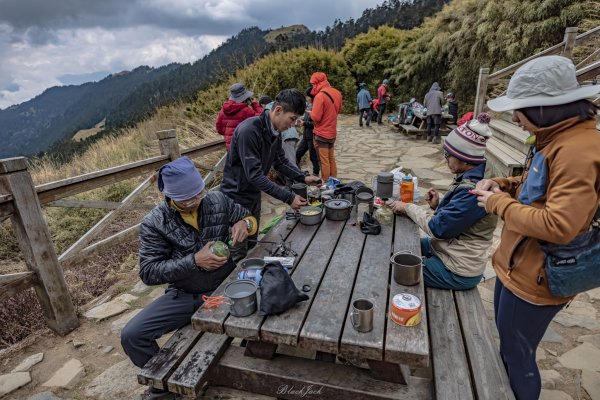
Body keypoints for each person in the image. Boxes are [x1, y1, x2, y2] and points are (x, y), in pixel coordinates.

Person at [473, 56, 600, 400]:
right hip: (518, 266)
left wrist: (497, 203)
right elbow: (537, 188)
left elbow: (559, 224)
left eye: (520, 109)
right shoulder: (555, 138)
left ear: (545, 108)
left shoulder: (576, 150)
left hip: (536, 276)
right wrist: (503, 184)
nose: (514, 118)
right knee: (511, 348)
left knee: (519, 355)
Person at [121, 157, 255, 400]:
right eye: (187, 200)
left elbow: (248, 217)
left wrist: (244, 223)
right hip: (186, 294)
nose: (195, 202)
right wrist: (194, 261)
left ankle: (251, 357)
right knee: (132, 335)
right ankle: (167, 386)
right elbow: (149, 272)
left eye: (198, 194)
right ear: (170, 196)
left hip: (227, 286)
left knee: (266, 302)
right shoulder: (154, 223)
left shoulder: (216, 200)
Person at [391, 113, 498, 290]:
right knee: (402, 246)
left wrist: (407, 207)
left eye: (448, 154)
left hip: (457, 269)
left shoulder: (474, 189)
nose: (445, 159)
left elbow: (438, 228)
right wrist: (438, 206)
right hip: (449, 249)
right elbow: (459, 219)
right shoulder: (479, 171)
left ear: (464, 157)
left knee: (396, 269)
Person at [221, 89, 320, 260]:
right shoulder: (249, 131)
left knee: (252, 244)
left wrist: (302, 177)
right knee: (236, 251)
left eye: (296, 119)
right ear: (278, 110)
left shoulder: (274, 131)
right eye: (292, 118)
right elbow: (254, 175)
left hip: (252, 195)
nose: (293, 123)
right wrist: (288, 197)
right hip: (235, 198)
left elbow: (280, 162)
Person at [309, 72, 342, 180]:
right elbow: (339, 110)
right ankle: (334, 181)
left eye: (313, 84)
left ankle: (326, 183)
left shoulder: (320, 96)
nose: (313, 86)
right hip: (332, 132)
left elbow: (316, 117)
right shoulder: (337, 93)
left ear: (317, 83)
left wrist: (310, 112)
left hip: (322, 133)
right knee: (331, 158)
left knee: (324, 161)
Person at [216, 83, 263, 151]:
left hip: (230, 149)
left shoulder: (222, 111)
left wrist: (228, 134)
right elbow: (261, 118)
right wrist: (254, 104)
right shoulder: (246, 111)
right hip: (244, 148)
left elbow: (219, 129)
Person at [296, 90, 320, 176]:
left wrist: (304, 123)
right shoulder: (309, 105)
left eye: (307, 96)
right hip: (306, 136)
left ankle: (316, 173)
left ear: (311, 97)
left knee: (313, 157)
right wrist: (301, 121)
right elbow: (307, 118)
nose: (306, 98)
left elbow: (316, 124)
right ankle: (296, 171)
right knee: (298, 153)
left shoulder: (316, 107)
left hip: (312, 136)